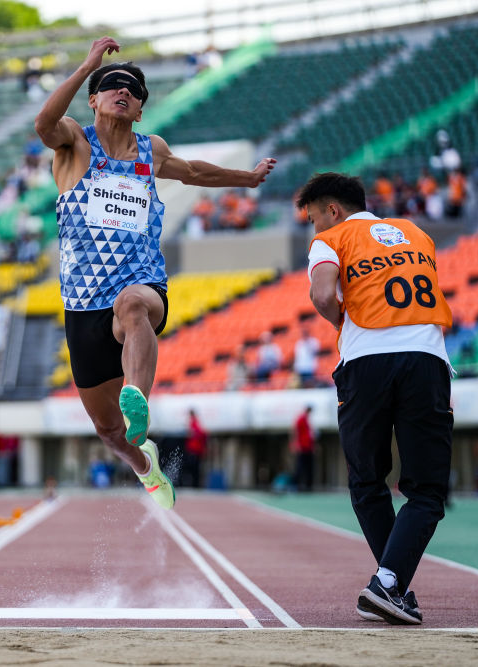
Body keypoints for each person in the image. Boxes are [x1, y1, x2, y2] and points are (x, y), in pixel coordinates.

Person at [34, 36, 276, 511]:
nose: (122, 90)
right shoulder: (74, 143)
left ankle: (136, 398)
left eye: (132, 89)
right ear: (93, 99)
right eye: (111, 85)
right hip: (83, 301)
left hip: (140, 281)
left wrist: (244, 179)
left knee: (134, 305)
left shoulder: (152, 150)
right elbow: (43, 123)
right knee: (107, 431)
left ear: (141, 110)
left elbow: (194, 173)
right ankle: (145, 465)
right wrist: (87, 65)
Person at [302, 171, 453, 625]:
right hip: (426, 358)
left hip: (364, 359)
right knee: (426, 490)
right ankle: (390, 584)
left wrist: (340, 323)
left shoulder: (334, 236)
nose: (314, 229)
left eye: (313, 219)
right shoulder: (417, 234)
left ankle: (388, 584)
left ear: (333, 211)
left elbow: (323, 293)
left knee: (367, 482)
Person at [291, 406, 316, 492]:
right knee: (300, 467)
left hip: (308, 447)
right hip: (302, 447)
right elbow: (295, 431)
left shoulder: (307, 420)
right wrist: (296, 444)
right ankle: (296, 485)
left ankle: (308, 486)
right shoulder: (301, 419)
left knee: (309, 467)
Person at [183, 409, 207, 488]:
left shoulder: (194, 423)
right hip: (195, 450)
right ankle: (194, 484)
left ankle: (194, 485)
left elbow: (200, 433)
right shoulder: (195, 423)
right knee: (194, 469)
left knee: (193, 469)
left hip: (194, 450)